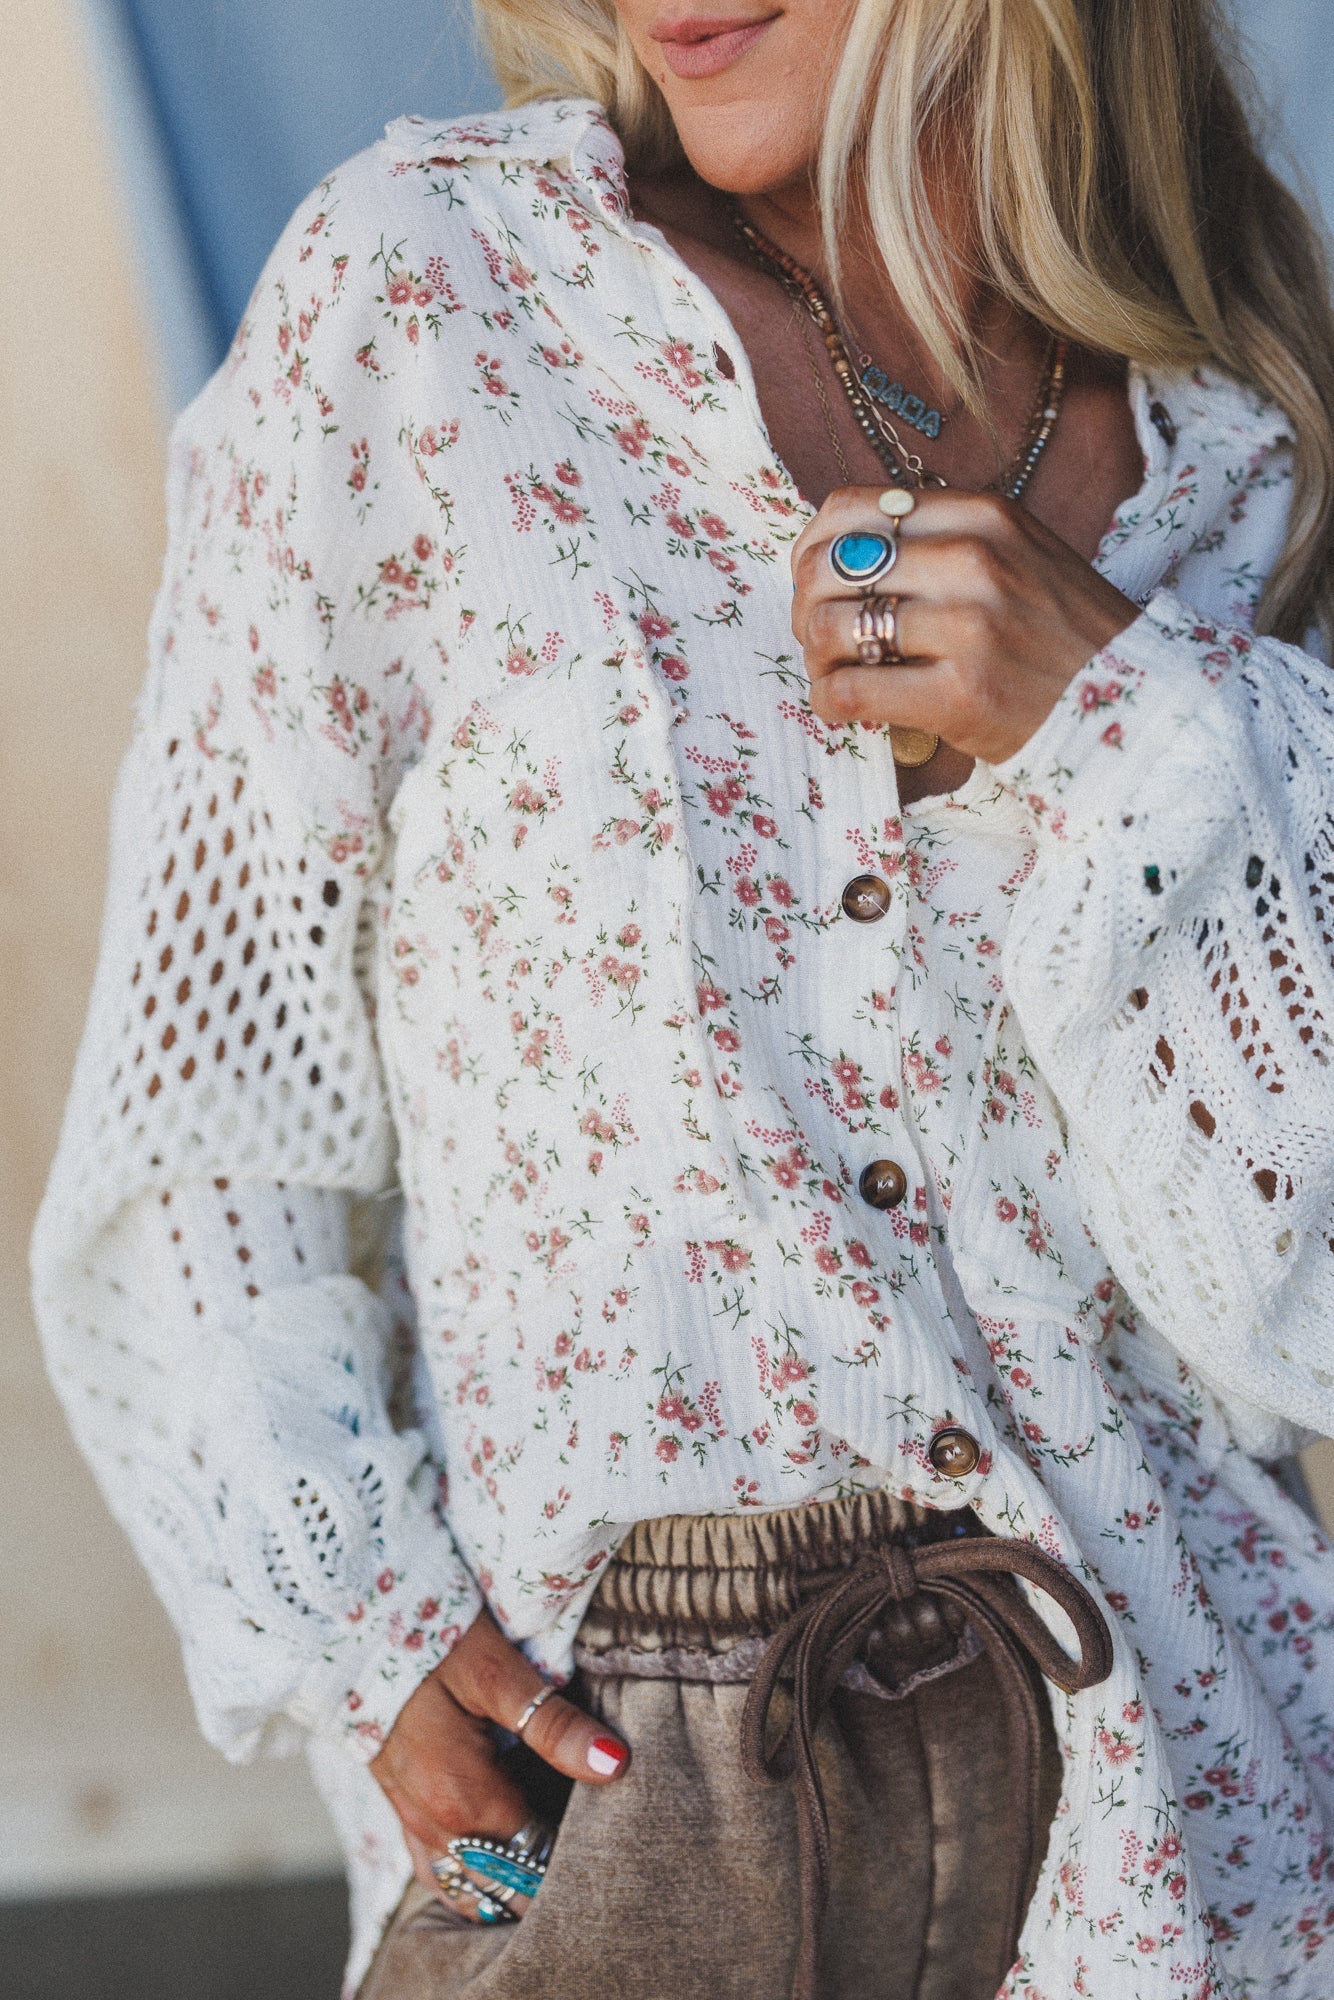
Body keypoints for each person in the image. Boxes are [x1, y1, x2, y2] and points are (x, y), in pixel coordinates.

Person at [32, 1, 1334, 1994]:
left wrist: (1126, 733)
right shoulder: (436, 299)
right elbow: (205, 1126)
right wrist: (356, 1620)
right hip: (631, 1800)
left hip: (1203, 1859)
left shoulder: (1261, 458)